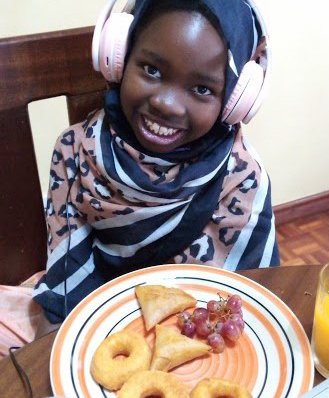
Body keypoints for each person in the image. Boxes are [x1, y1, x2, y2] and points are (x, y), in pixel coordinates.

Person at [0, 0, 279, 357]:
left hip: (192, 342)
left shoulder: (240, 179)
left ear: (235, 101)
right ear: (119, 59)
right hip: (94, 321)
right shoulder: (76, 151)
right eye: (151, 69)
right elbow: (64, 288)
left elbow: (235, 303)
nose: (167, 103)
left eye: (202, 89)